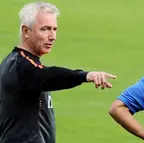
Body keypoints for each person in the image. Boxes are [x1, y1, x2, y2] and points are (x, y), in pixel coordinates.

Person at [0, 1, 116, 143]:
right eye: (45, 29)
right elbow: (50, 76)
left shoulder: (12, 63)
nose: (52, 36)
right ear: (26, 31)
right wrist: (84, 75)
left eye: (54, 29)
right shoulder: (22, 66)